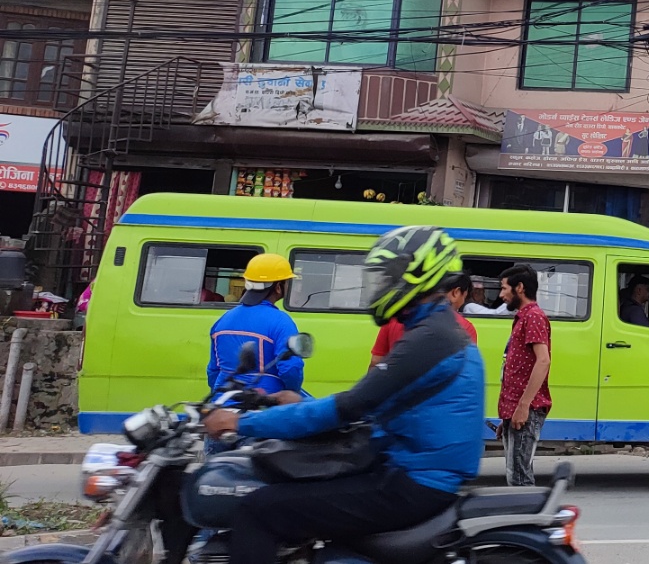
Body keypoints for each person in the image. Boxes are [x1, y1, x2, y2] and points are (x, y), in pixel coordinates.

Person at [201, 225, 485, 564]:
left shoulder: (431, 339)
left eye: (390, 277)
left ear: (420, 276)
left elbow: (351, 406)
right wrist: (298, 403)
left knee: (258, 509)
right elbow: (371, 401)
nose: (382, 287)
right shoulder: (439, 331)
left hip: (412, 481)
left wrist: (240, 421)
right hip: (411, 469)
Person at [207, 254, 304, 397]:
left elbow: (213, 370)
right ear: (278, 287)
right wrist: (291, 394)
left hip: (223, 400)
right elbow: (290, 369)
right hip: (265, 406)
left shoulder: (223, 320)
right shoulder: (281, 321)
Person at [498, 264, 552, 487]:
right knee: (516, 474)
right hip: (515, 411)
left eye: (504, 289)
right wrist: (508, 416)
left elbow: (543, 360)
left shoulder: (534, 318)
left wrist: (523, 406)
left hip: (525, 411)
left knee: (520, 479)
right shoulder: (523, 318)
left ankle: (526, 520)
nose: (501, 295)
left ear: (519, 288)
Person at [372, 272, 479, 368]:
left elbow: (376, 362)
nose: (463, 302)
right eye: (464, 297)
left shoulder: (394, 319)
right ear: (456, 293)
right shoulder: (464, 327)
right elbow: (465, 369)